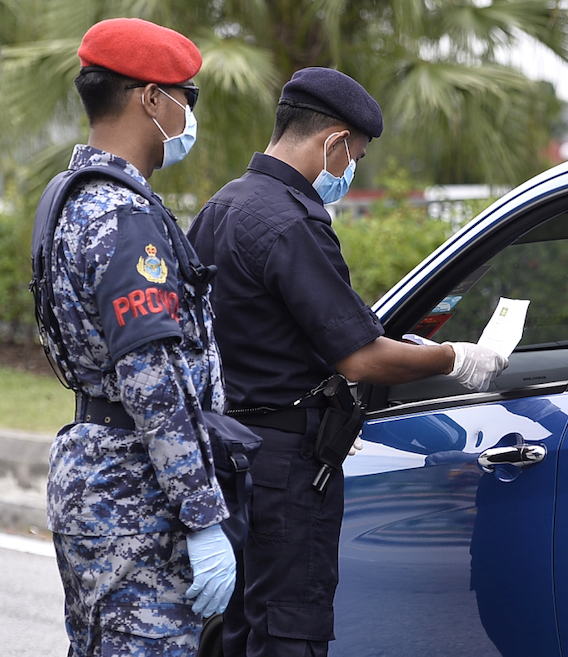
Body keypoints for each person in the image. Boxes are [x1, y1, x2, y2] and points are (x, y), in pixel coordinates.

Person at [187, 67, 508, 657]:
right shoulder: (293, 222)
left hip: (231, 452)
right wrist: (455, 358)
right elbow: (360, 357)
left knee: (241, 631)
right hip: (286, 467)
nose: (350, 166)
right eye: (355, 153)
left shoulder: (221, 208)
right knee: (289, 631)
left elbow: (257, 333)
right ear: (335, 142)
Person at [34, 18, 236, 656]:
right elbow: (152, 379)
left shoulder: (71, 199)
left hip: (97, 470)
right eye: (187, 98)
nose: (188, 114)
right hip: (136, 491)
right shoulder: (124, 217)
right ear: (152, 98)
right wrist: (202, 517)